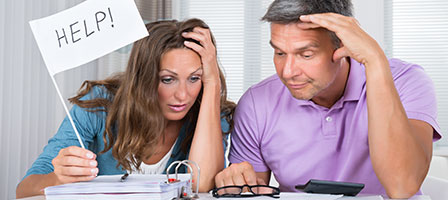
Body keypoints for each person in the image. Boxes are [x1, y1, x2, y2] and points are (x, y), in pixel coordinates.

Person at [214, 0, 441, 198]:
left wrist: (374, 60)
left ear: (342, 44)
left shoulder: (406, 82)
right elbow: (254, 192)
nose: (288, 72)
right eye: (280, 53)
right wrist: (238, 185)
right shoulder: (256, 103)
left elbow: (402, 187)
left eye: (306, 55)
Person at [16, 18, 235, 198]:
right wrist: (58, 178)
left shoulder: (210, 111)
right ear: (143, 78)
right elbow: (24, 190)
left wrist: (213, 82)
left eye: (194, 78)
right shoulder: (100, 107)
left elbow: (203, 185)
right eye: (168, 79)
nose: (182, 95)